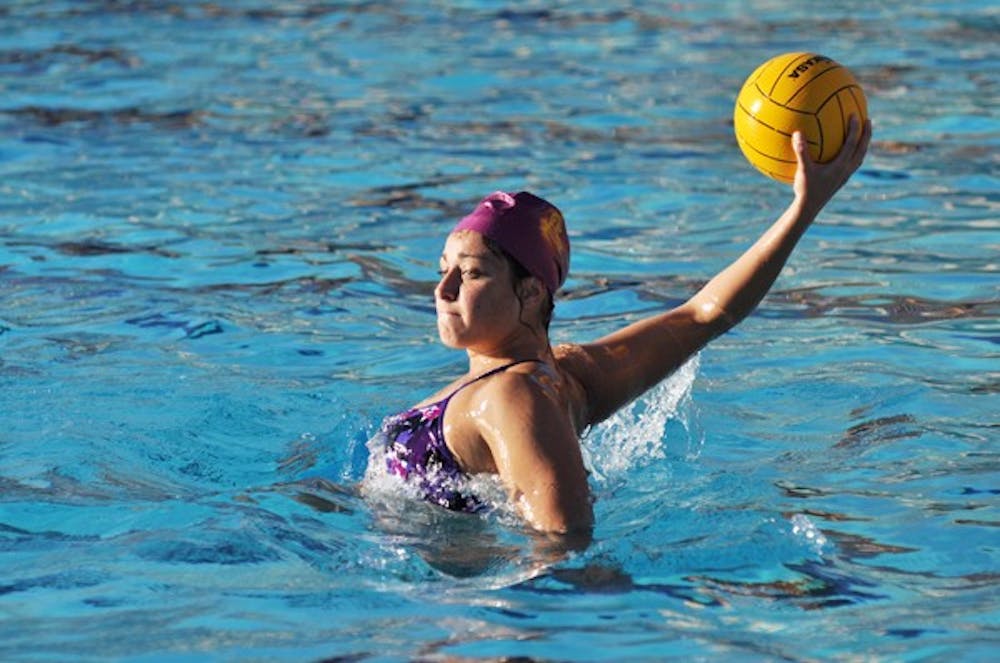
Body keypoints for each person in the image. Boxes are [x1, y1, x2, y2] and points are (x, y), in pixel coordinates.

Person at [371, 118, 872, 538]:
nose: (444, 290)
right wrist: (803, 210)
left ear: (530, 292)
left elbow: (562, 543)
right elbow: (702, 315)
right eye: (443, 270)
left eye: (473, 273)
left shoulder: (511, 397)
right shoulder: (566, 373)